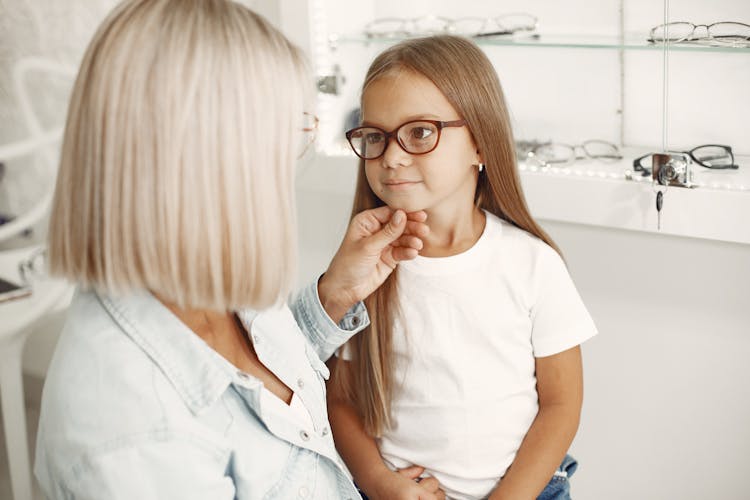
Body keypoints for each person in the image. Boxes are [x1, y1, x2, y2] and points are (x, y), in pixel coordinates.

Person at [33, 1, 430, 499]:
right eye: (288, 134)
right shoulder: (136, 438)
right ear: (208, 158)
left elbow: (258, 385)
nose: (292, 159)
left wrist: (332, 296)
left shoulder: (195, 269)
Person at [328, 35, 598, 500]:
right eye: (375, 136)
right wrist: (379, 483)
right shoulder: (365, 269)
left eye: (419, 132)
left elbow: (562, 405)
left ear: (480, 144)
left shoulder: (532, 263)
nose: (391, 156)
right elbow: (343, 401)